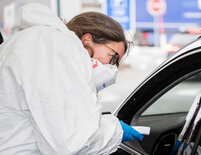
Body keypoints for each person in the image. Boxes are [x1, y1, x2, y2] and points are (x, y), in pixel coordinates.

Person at [0, 3, 143, 154]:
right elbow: (72, 141)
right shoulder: (57, 48)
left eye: (116, 64)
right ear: (87, 39)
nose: (112, 69)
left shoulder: (43, 42)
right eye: (112, 58)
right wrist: (115, 131)